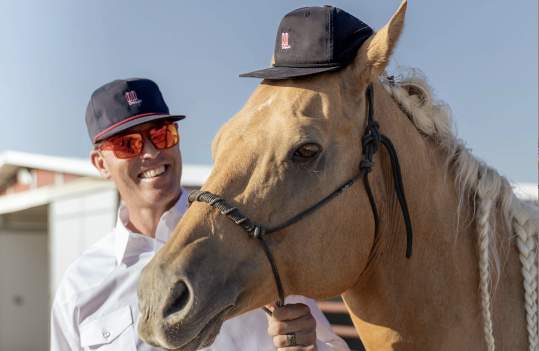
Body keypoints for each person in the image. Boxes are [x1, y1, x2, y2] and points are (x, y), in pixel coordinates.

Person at [50, 77, 350, 350]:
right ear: (100, 164)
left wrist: (307, 346)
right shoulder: (79, 287)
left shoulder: (250, 243)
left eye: (162, 134)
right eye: (128, 144)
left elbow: (328, 346)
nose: (152, 152)